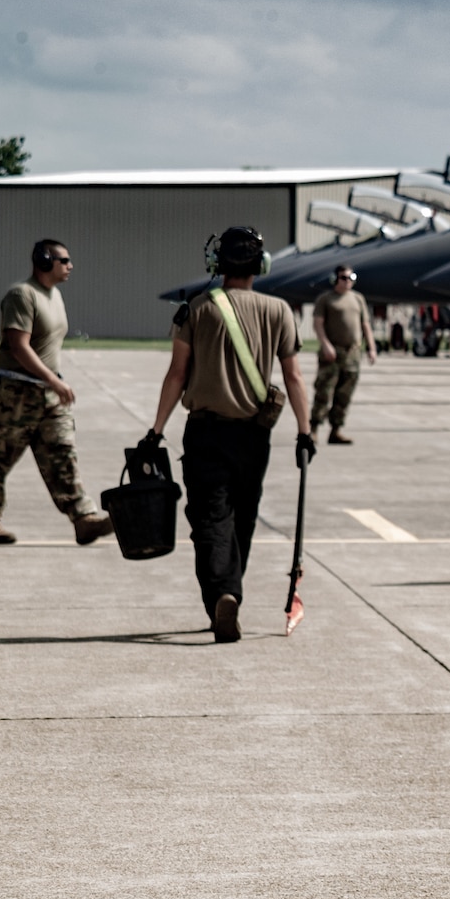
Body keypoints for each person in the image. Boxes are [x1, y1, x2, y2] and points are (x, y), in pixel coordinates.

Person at [146, 227, 316, 644]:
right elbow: (293, 377)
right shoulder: (280, 311)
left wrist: (156, 430)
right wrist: (305, 430)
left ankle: (223, 593)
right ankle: (230, 590)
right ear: (261, 266)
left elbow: (177, 375)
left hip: (205, 433)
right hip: (253, 436)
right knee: (242, 517)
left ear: (216, 265)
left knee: (210, 521)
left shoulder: (195, 309)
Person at [0, 239, 112, 546]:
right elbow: (17, 345)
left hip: (47, 393)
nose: (70, 265)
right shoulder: (22, 295)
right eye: (64, 260)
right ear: (45, 261)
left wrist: (52, 383)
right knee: (1, 458)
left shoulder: (55, 295)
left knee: (62, 452)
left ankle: (83, 519)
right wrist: (54, 380)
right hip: (16, 393)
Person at [310, 264, 375, 445]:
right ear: (335, 279)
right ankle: (313, 429)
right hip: (332, 353)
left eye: (350, 278)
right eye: (343, 278)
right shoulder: (326, 299)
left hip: (352, 354)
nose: (347, 282)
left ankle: (335, 431)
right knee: (324, 392)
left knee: (344, 394)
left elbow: (365, 325)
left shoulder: (358, 299)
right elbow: (318, 324)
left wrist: (371, 347)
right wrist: (326, 345)